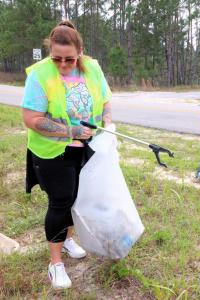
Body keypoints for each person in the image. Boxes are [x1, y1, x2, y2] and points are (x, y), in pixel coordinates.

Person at [22, 20, 112, 290]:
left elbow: (106, 101)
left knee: (75, 199)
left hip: (85, 148)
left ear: (81, 52)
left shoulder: (93, 68)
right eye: (57, 59)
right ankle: (55, 263)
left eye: (69, 59)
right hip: (52, 151)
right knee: (60, 202)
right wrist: (70, 130)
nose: (63, 65)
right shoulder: (39, 74)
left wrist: (108, 123)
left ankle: (68, 238)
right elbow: (31, 118)